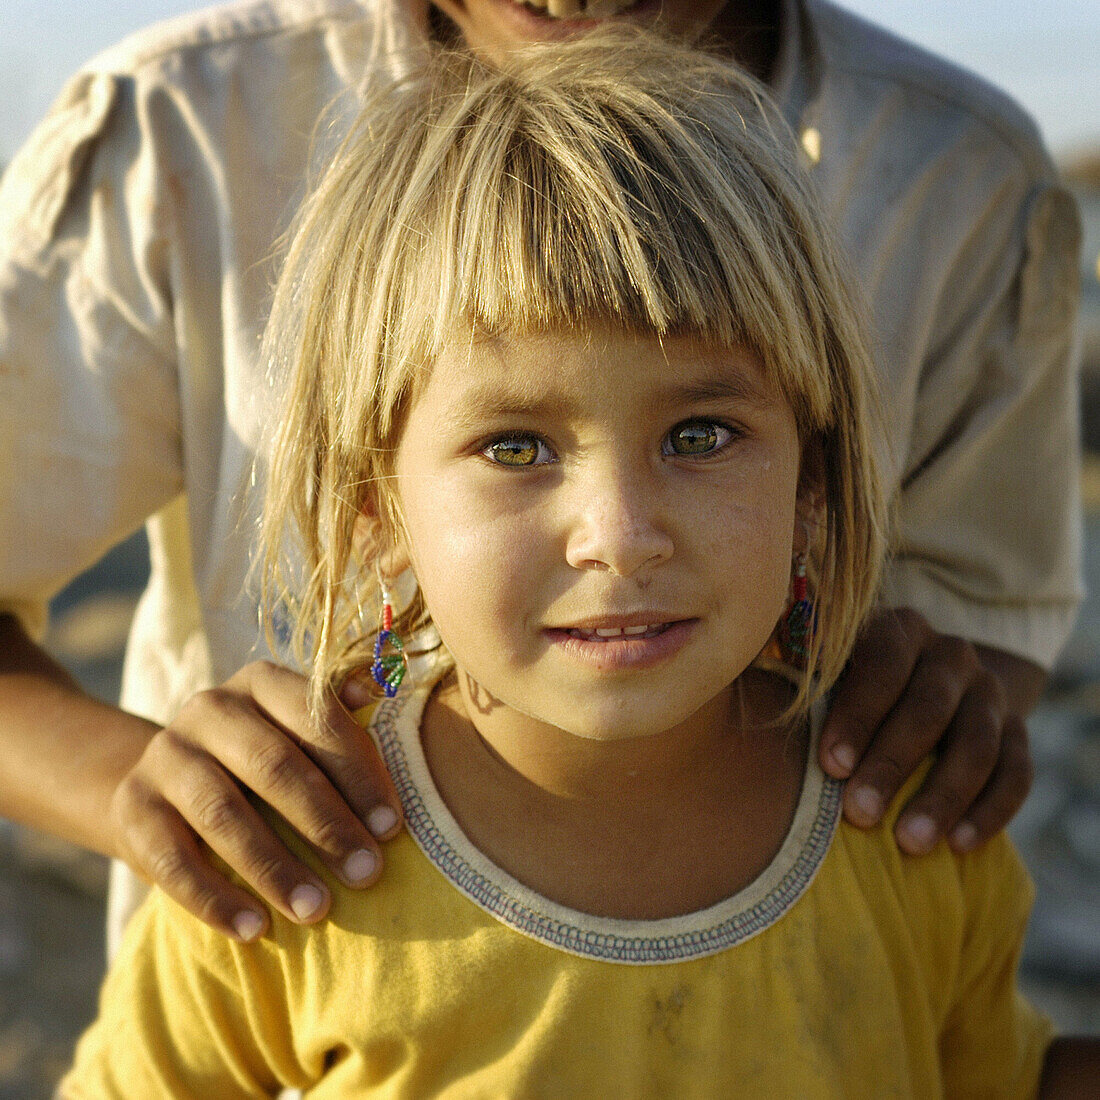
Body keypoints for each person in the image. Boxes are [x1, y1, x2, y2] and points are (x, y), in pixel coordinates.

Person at [58, 35, 1097, 1096]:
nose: (620, 532)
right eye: (514, 447)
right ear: (377, 508)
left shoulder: (914, 828)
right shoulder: (287, 865)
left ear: (813, 483)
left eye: (699, 434)